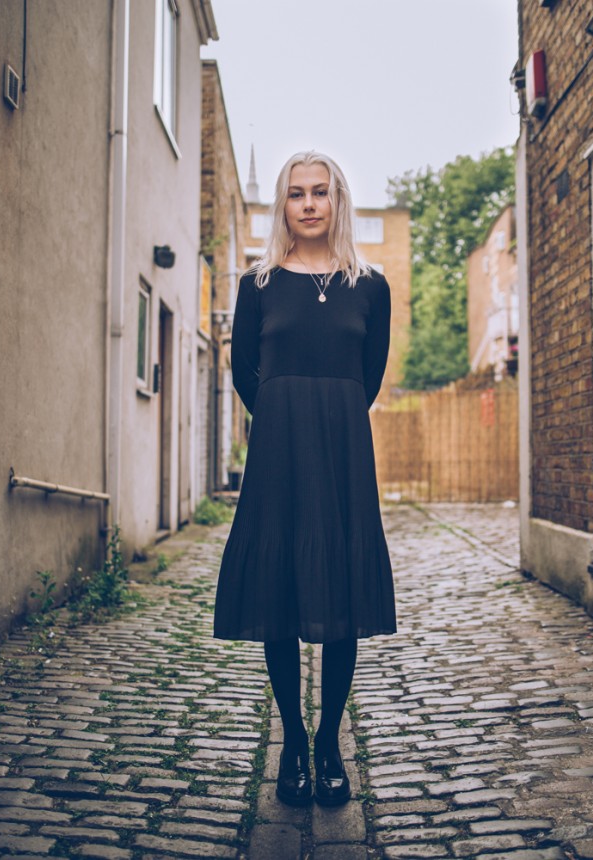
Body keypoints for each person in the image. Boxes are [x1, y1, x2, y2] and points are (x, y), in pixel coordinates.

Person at [214, 151, 396, 807]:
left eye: (321, 192)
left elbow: (369, 376)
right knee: (279, 600)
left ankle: (327, 743)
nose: (310, 203)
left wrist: (330, 416)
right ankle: (291, 740)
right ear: (283, 206)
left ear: (338, 201)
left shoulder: (371, 285)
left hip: (343, 453)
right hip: (278, 455)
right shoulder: (257, 285)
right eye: (297, 194)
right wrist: (287, 416)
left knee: (340, 596)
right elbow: (242, 375)